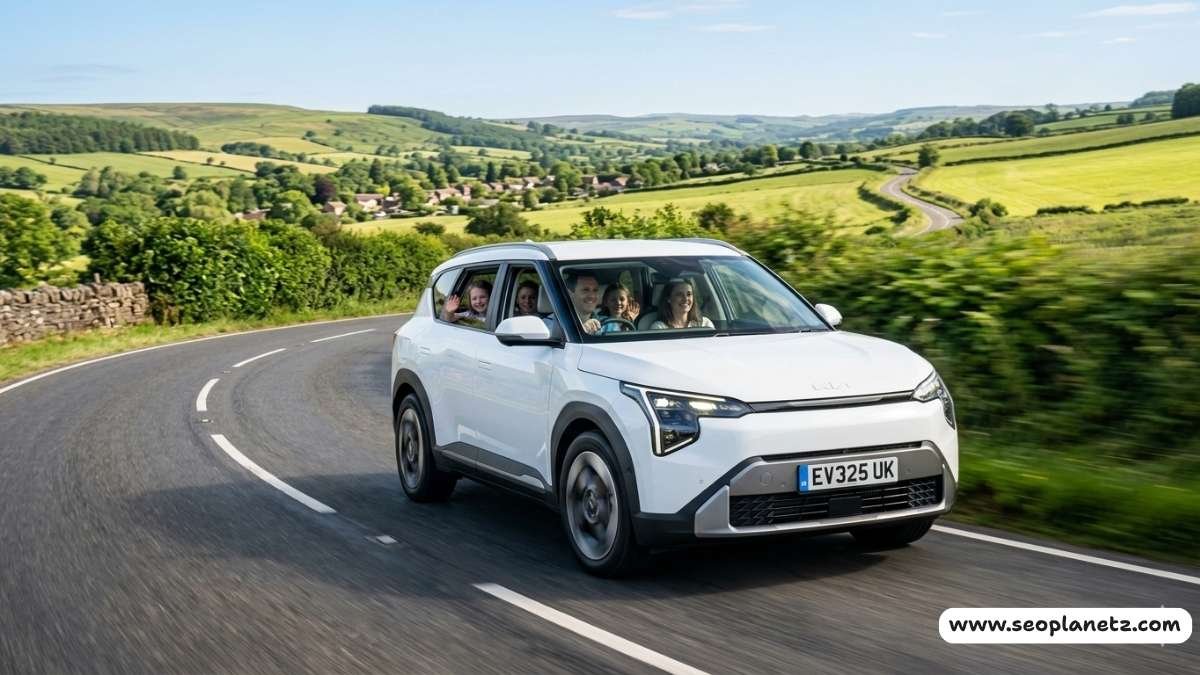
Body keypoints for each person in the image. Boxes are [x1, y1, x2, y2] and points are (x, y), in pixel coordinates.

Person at [564, 270, 603, 335]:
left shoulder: (609, 324)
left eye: (595, 290)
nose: (592, 296)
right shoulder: (550, 325)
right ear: (570, 293)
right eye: (586, 290)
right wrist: (582, 330)